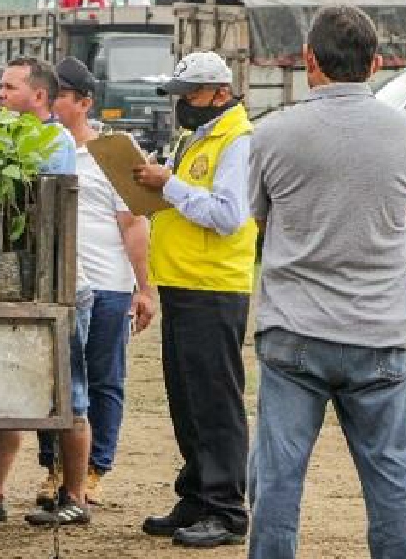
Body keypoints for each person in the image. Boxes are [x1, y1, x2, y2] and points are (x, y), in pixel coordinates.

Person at [247, 5, 406, 558]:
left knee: (278, 479)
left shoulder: (274, 132)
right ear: (375, 63)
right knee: (392, 482)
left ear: (309, 61)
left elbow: (259, 217)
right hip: (381, 329)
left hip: (296, 329)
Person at [0, 57, 92, 525]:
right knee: (12, 386)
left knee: (69, 397)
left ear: (40, 97)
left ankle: (75, 498)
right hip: (27, 285)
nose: (2, 95)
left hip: (60, 288)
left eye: (9, 88)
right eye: (0, 88)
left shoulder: (52, 142)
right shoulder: (15, 135)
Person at [131, 51, 256, 548]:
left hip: (215, 287)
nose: (182, 105)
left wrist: (171, 184)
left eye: (190, 95)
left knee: (215, 402)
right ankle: (198, 494)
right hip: (184, 283)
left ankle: (226, 509)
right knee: (186, 399)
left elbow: (228, 215)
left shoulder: (238, 141)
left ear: (219, 94)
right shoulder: (198, 137)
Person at [35, 57, 158, 508]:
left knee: (103, 380)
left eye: (62, 97)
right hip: (58, 284)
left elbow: (134, 224)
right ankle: (55, 468)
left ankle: (91, 470)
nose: (54, 103)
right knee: (56, 382)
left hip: (105, 284)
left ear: (85, 103)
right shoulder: (42, 145)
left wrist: (143, 289)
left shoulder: (114, 155)